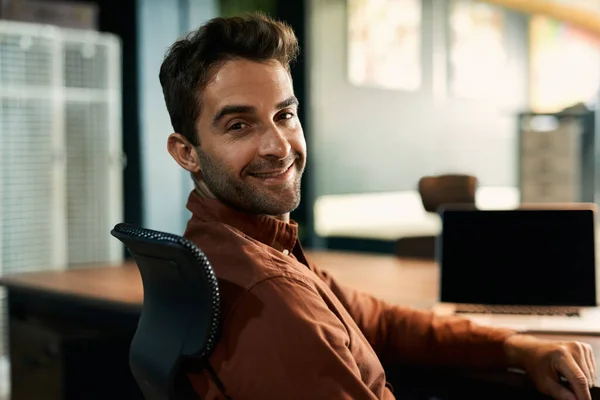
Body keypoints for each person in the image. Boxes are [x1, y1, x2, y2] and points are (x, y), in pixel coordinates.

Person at [160, 13, 595, 400]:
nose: (278, 146)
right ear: (187, 152)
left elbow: (382, 322)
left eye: (285, 115)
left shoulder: (236, 244)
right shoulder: (270, 295)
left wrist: (515, 346)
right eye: (239, 125)